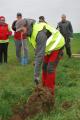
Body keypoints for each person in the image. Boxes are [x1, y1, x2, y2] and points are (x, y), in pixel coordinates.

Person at [16, 18, 65, 95]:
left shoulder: (39, 33)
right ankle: (43, 88)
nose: (21, 33)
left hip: (57, 46)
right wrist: (36, 60)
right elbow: (37, 49)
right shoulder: (30, 32)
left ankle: (49, 92)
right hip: (48, 49)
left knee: (50, 68)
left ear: (26, 26)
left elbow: (40, 55)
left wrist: (36, 75)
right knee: (44, 67)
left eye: (22, 30)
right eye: (20, 32)